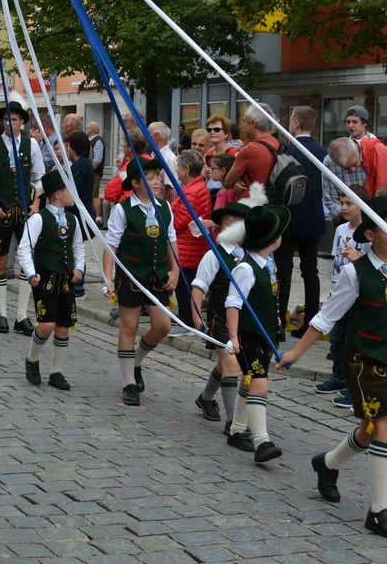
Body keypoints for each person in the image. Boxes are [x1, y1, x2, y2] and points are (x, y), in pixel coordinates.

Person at [281, 194, 387, 541]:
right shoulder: (355, 274)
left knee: (370, 429)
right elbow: (327, 317)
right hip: (362, 362)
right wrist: (296, 353)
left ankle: (326, 464)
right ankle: (379, 511)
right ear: (371, 235)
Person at [101, 155, 178, 407]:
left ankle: (136, 361)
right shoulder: (122, 210)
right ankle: (128, 383)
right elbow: (111, 245)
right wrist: (107, 278)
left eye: (158, 176)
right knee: (129, 327)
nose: (157, 181)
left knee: (162, 326)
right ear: (135, 182)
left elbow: (170, 240)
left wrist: (175, 270)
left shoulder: (165, 207)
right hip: (131, 275)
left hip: (157, 276)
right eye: (150, 177)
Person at [220, 197, 288, 463]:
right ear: (273, 240)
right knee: (260, 384)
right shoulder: (247, 268)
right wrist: (234, 337)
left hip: (265, 336)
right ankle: (262, 442)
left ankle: (237, 430)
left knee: (249, 382)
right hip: (248, 337)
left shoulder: (267, 265)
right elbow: (233, 304)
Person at [0, 101, 40, 335]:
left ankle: (21, 316)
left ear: (22, 122)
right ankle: (2, 313)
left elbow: (39, 178)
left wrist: (36, 203)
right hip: (1, 211)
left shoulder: (31, 144)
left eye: (13, 119)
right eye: (5, 120)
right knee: (0, 263)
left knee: (27, 261)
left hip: (25, 212)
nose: (9, 123)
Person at [16, 169, 85, 390]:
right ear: (56, 193)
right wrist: (30, 272)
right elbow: (24, 248)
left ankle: (56, 371)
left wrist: (79, 268)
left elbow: (78, 247)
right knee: (46, 324)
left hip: (65, 279)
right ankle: (32, 359)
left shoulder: (73, 220)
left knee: (63, 327)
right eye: (68, 189)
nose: (73, 193)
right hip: (45, 278)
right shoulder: (38, 219)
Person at [274, 106, 328, 337]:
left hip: (289, 218)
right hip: (313, 218)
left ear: (295, 123)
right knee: (310, 271)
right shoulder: (323, 152)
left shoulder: (287, 151)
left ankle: (279, 322)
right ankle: (310, 323)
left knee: (283, 272)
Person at [315, 188, 368, 406]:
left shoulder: (368, 234)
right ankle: (338, 376)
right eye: (342, 203)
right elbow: (336, 264)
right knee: (336, 338)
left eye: (349, 203)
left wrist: (357, 258)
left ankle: (354, 383)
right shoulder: (341, 230)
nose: (344, 208)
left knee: (352, 340)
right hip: (339, 293)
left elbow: (371, 267)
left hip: (357, 295)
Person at [169, 150, 212, 331]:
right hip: (189, 245)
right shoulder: (193, 188)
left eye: (178, 168)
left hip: (188, 246)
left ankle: (187, 321)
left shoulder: (191, 192)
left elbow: (180, 222)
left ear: (186, 169)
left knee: (184, 285)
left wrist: (166, 218)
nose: (176, 171)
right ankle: (184, 317)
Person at [344, 105, 387, 200]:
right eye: (348, 122)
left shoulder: (378, 149)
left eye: (355, 122)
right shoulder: (342, 148)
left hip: (374, 202)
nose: (350, 126)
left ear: (364, 123)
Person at [221, 104, 281, 199]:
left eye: (244, 121)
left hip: (249, 204)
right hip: (269, 201)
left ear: (253, 123)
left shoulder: (250, 150)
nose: (242, 126)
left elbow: (228, 181)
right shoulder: (276, 143)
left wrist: (235, 181)